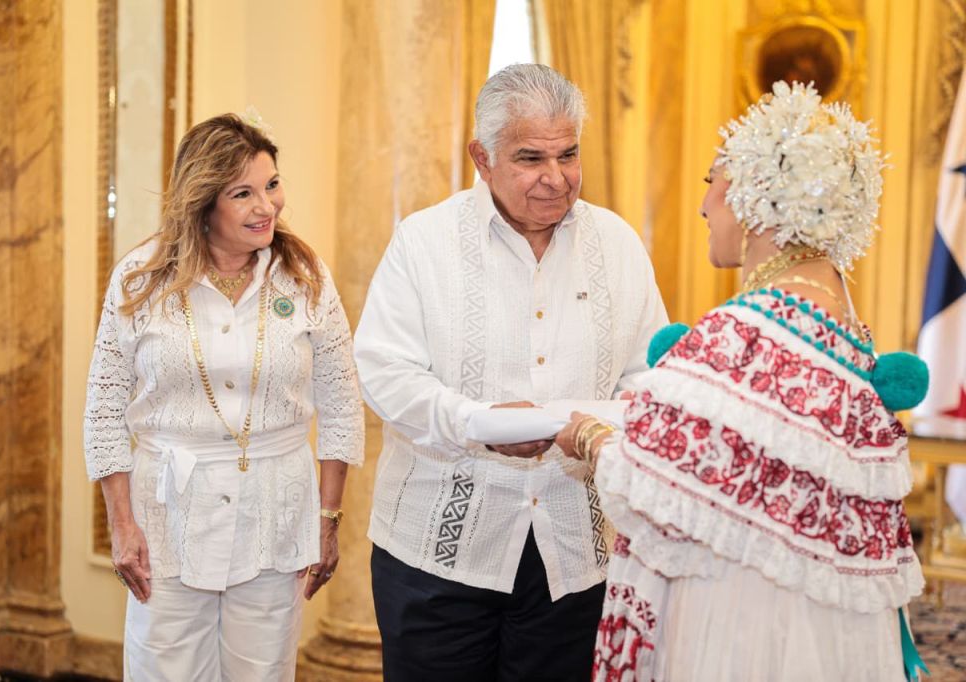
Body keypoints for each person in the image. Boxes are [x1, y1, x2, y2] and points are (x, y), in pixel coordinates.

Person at [555, 81, 927, 682]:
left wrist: (591, 436)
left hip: (744, 621)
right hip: (832, 628)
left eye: (712, 182)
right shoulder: (843, 328)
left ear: (756, 196)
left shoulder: (742, 333)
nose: (704, 205)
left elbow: (649, 482)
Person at [353, 63, 668, 681]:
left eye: (569, 154)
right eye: (530, 158)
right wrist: (477, 424)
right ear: (482, 156)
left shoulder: (619, 244)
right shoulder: (424, 242)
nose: (556, 179)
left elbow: (650, 377)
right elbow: (386, 373)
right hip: (438, 556)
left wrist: (601, 432)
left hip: (575, 554)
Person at [83, 113, 364, 681]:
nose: (268, 206)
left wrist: (328, 517)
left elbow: (341, 401)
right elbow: (104, 408)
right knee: (164, 670)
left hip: (275, 513)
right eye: (244, 193)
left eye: (272, 184)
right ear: (203, 204)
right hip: (167, 519)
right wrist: (121, 524)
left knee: (263, 672)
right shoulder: (140, 279)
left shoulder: (305, 276)